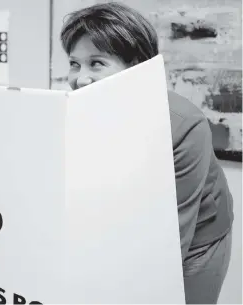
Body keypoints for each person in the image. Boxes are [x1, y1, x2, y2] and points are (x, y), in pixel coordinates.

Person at [60, 2, 234, 304]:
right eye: (75, 63)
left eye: (97, 63)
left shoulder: (182, 125)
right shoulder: (78, 108)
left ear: (137, 68)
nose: (80, 78)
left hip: (197, 238)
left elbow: (170, 243)